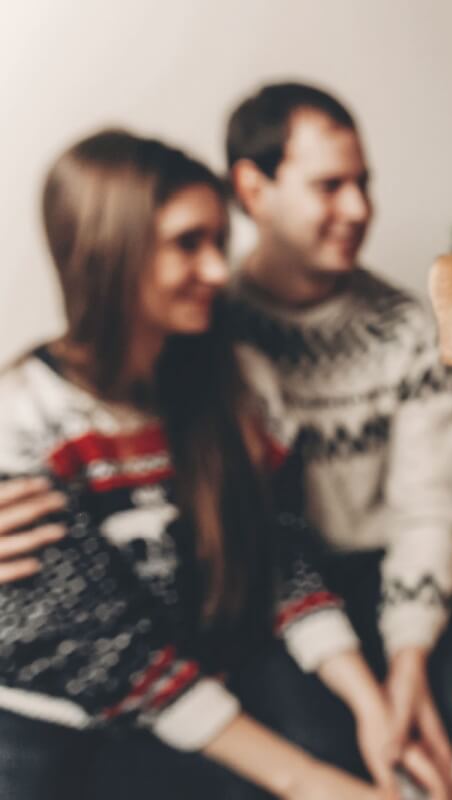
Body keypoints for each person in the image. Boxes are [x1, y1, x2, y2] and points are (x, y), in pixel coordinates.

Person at [0, 129, 430, 800]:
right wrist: (312, 784)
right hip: (63, 730)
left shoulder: (235, 384)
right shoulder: (24, 423)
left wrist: (372, 707)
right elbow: (114, 658)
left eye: (218, 242)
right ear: (108, 253)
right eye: (187, 244)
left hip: (195, 692)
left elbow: (282, 561)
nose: (216, 271)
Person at [221, 82, 452, 792]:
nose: (359, 209)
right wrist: (371, 698)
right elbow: (265, 543)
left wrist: (408, 666)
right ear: (254, 189)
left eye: (364, 183)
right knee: (319, 745)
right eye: (329, 186)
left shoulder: (404, 328)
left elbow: (432, 509)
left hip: (405, 581)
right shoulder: (212, 333)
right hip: (274, 594)